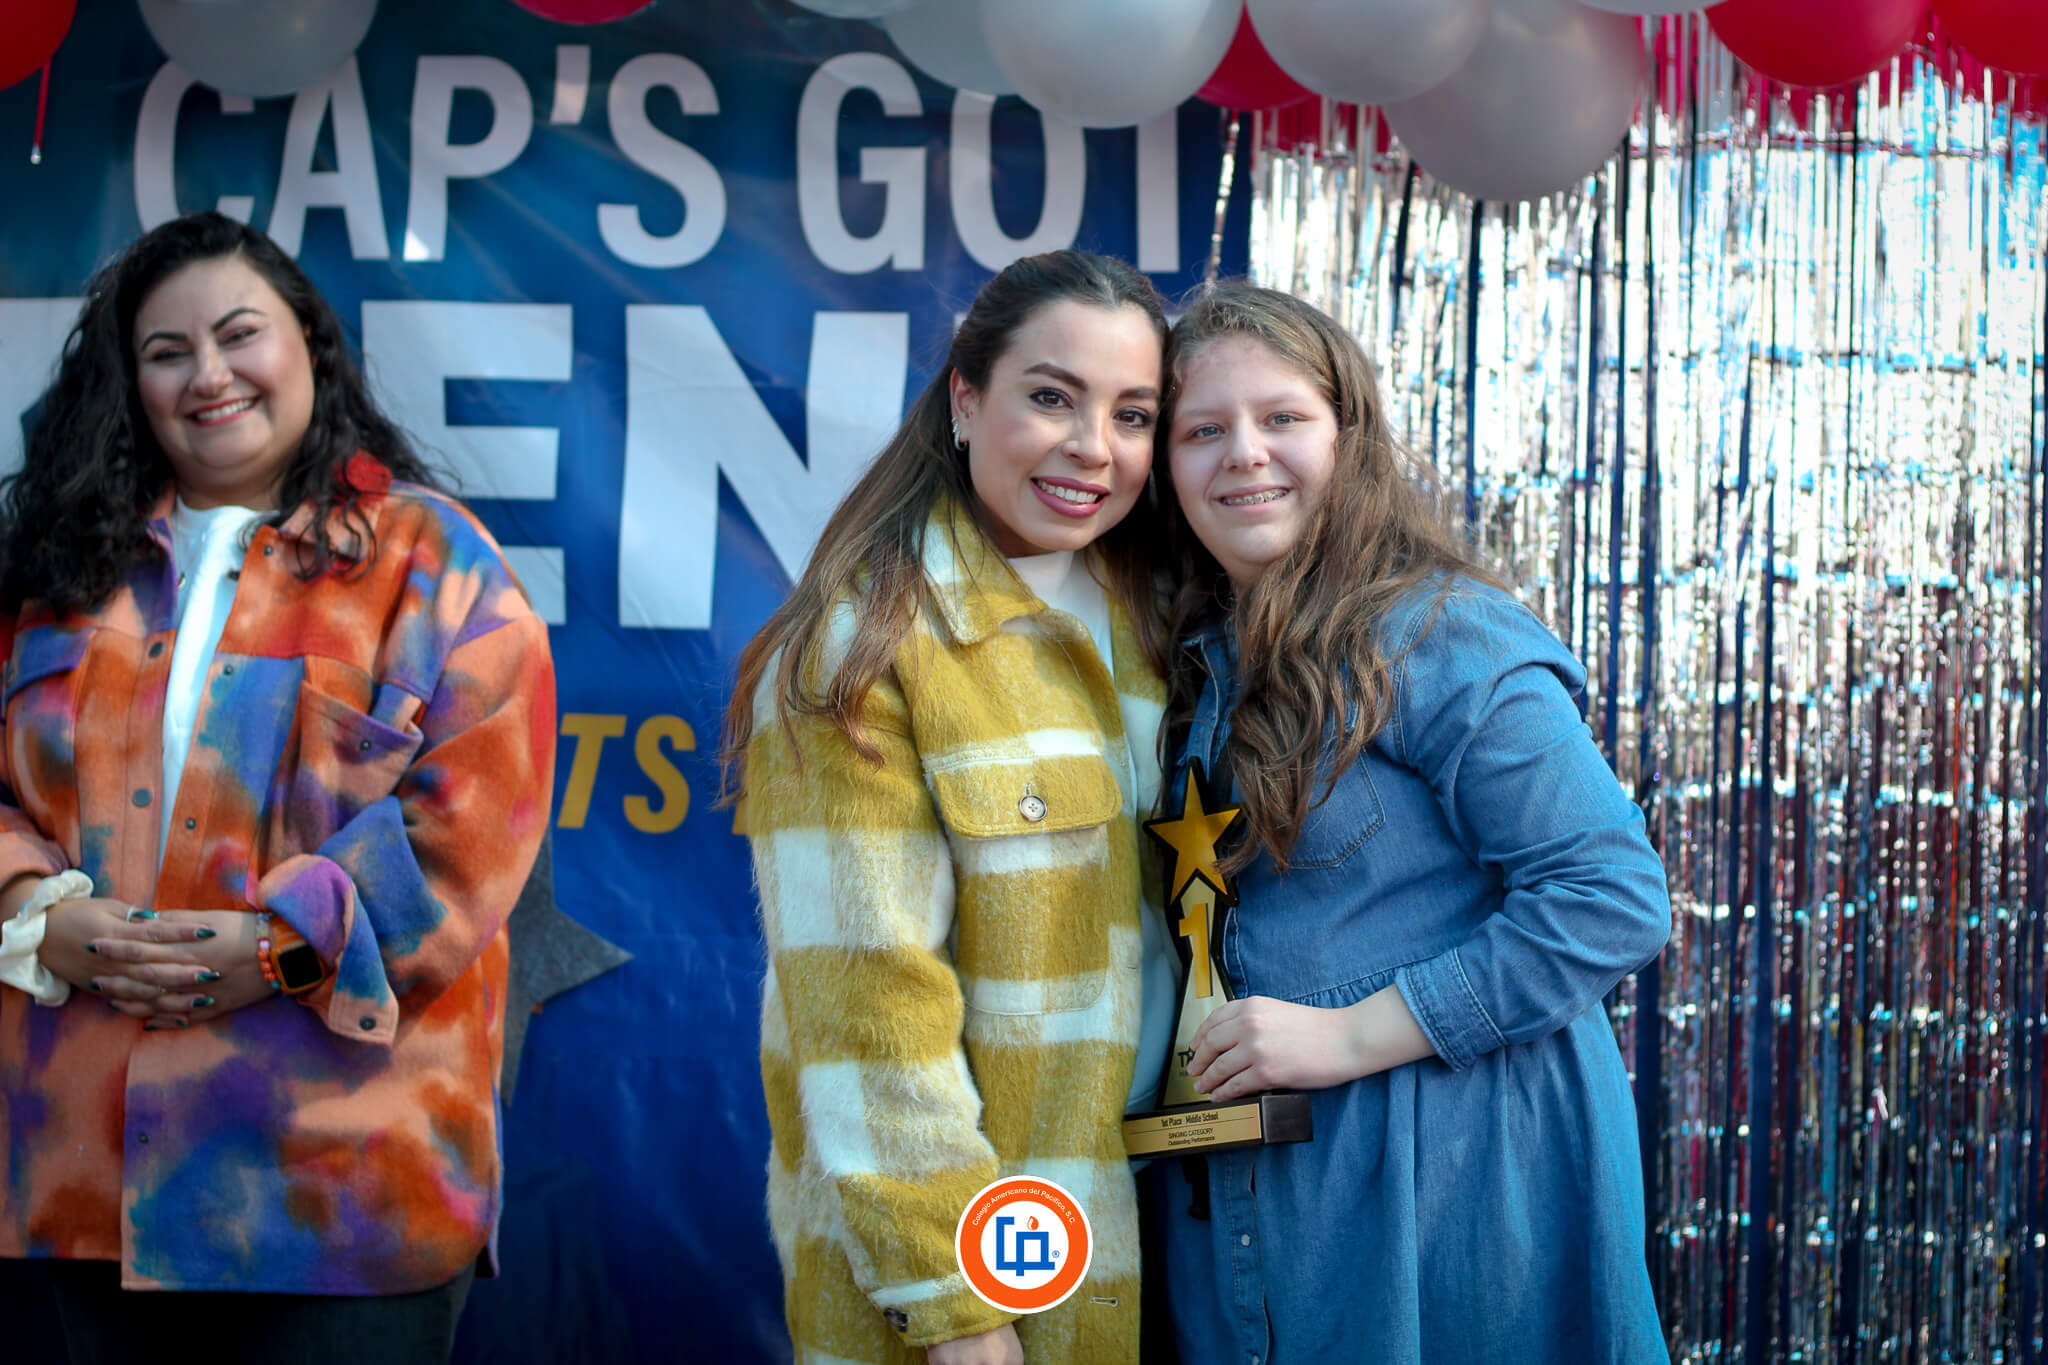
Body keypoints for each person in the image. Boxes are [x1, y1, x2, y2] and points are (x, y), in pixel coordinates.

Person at [0, 212, 555, 1363]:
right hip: (73, 1186)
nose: (209, 374)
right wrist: (31, 916)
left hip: (342, 1196)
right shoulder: (58, 571)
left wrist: (281, 948)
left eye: (239, 334)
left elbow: (467, 834)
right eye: (167, 352)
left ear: (310, 342)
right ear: (131, 385)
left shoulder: (434, 564)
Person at [1150, 282, 1670, 1364]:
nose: (1243, 453)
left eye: (1282, 417)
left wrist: (1347, 1034)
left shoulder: (1440, 630)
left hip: (1451, 1188)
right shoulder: (1195, 664)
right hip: (1269, 1203)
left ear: (1348, 437)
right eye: (1202, 430)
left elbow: (1611, 899)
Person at [724, 250, 1179, 1365]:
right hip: (983, 1286)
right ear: (965, 400)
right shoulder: (858, 645)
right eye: (1051, 397)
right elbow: (868, 1010)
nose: (1094, 447)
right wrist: (958, 1309)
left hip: (1167, 1238)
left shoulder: (1169, 618)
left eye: (1132, 415)